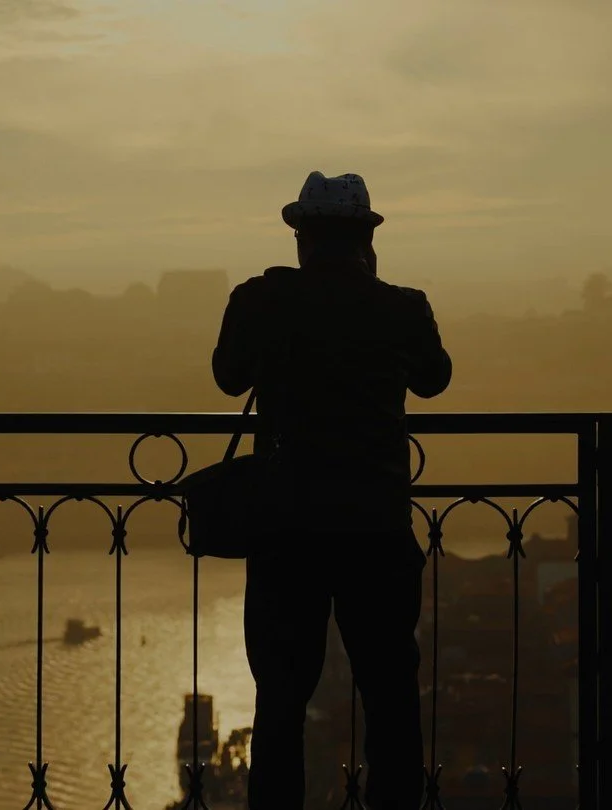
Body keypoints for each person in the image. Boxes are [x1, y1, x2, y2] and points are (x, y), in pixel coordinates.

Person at [211, 171, 452, 810]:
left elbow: (227, 377)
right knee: (390, 696)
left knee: (282, 701)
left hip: (286, 527)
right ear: (366, 240)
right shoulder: (402, 306)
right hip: (375, 525)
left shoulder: (262, 300)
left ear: (302, 238)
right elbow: (435, 379)